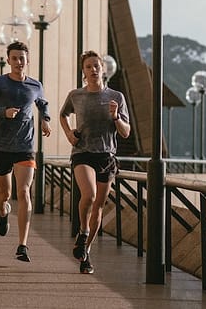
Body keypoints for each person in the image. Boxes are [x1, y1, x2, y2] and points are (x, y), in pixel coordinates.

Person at [0, 41, 51, 262]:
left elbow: (43, 103)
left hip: (25, 147)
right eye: (14, 58)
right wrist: (2, 112)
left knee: (24, 192)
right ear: (8, 60)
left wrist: (45, 119)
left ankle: (23, 245)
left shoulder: (35, 85)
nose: (18, 62)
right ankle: (2, 211)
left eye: (22, 58)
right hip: (1, 146)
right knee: (4, 194)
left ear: (28, 60)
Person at [59, 50, 131, 274]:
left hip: (106, 156)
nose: (93, 70)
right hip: (82, 153)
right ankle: (82, 231)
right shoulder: (76, 96)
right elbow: (63, 115)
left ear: (103, 69)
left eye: (96, 66)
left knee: (98, 207)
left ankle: (86, 253)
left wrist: (117, 117)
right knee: (88, 195)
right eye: (88, 66)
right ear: (83, 71)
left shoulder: (116, 97)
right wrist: (69, 135)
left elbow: (126, 133)